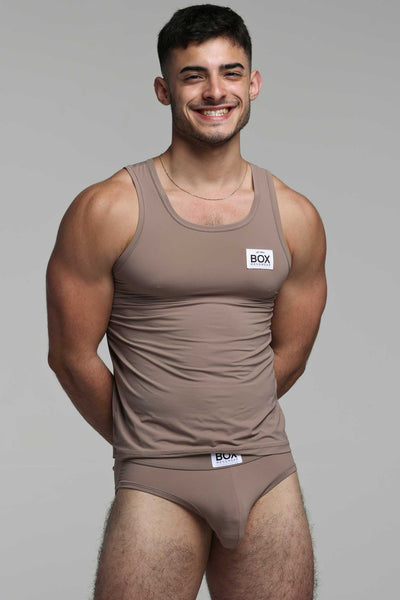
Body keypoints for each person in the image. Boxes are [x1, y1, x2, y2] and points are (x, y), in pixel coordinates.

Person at [46, 4, 327, 599]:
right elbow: (71, 356)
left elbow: (292, 352)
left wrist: (230, 421)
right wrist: (150, 441)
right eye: (193, 75)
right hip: (158, 479)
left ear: (253, 83)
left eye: (231, 72)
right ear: (163, 90)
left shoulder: (294, 216)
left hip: (265, 474)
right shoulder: (108, 208)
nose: (215, 91)